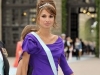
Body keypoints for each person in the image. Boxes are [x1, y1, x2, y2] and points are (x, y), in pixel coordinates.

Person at [20, 0, 74, 75]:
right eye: (44, 16)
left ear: (54, 19)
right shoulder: (31, 39)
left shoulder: (59, 41)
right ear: (38, 18)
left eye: (51, 16)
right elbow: (24, 67)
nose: (47, 20)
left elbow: (66, 68)